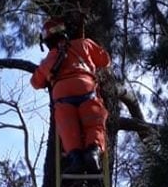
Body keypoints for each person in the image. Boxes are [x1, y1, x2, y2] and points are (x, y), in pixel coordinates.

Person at [30, 17, 110, 175]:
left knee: (68, 127)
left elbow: (35, 82)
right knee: (93, 123)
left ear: (46, 41)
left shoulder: (48, 60)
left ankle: (76, 158)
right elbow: (105, 60)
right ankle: (93, 153)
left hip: (62, 93)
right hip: (86, 87)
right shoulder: (84, 44)